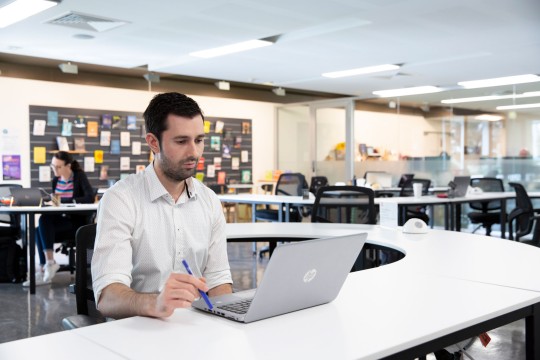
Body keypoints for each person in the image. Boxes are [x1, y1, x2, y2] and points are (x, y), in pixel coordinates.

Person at [92, 92, 233, 319]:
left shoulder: (209, 201)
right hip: (138, 332)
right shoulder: (120, 199)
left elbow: (218, 283)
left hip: (196, 330)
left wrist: (230, 317)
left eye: (199, 140)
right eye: (181, 141)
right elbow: (108, 297)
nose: (194, 153)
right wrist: (155, 303)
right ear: (153, 142)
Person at [23, 151, 94, 286]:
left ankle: (46, 268)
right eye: (53, 166)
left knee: (40, 228)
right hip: (61, 221)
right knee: (40, 226)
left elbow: (89, 197)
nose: (55, 169)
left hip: (76, 224)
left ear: (68, 166)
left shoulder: (79, 177)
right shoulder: (56, 180)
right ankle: (48, 265)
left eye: (58, 167)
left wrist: (66, 200)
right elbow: (56, 203)